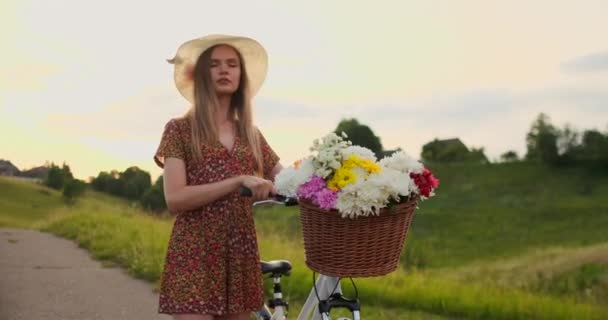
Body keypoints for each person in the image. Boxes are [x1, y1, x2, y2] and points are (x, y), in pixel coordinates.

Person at [153, 34, 283, 320]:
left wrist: (334, 181)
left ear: (241, 75)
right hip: (193, 252)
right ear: (201, 75)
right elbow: (175, 199)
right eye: (214, 64)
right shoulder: (179, 130)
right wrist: (238, 181)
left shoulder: (251, 134)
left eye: (232, 64)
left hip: (239, 252)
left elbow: (287, 180)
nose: (224, 70)